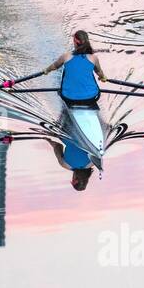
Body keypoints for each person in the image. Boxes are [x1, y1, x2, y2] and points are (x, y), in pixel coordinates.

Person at [42, 30, 107, 190]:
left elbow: (53, 67)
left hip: (71, 98)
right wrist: (103, 77)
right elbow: (55, 145)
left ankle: (101, 122)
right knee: (58, 128)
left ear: (76, 42)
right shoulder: (93, 58)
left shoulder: (66, 57)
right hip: (89, 98)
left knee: (67, 104)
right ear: (75, 180)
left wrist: (46, 70)